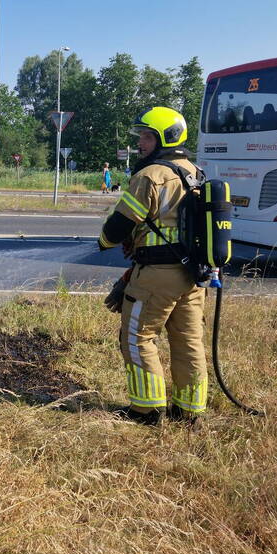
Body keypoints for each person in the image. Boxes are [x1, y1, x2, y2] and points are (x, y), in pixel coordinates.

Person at [99, 106, 207, 426]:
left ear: (166, 137)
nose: (142, 143)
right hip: (192, 276)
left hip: (156, 276)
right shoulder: (195, 173)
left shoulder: (150, 176)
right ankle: (189, 412)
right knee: (188, 342)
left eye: (147, 136)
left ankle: (146, 411)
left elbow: (118, 226)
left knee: (137, 338)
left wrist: (103, 242)